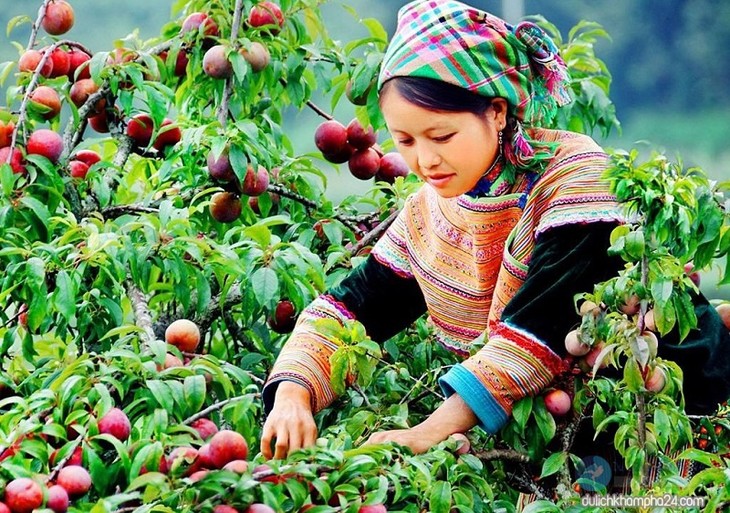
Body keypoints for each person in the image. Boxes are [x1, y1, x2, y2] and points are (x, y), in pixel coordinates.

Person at [260, 0, 730, 465]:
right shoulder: (430, 212)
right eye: (405, 141)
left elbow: (539, 327)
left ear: (498, 112)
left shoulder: (576, 180)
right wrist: (293, 394)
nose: (424, 160)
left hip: (685, 418)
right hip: (571, 444)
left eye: (441, 137)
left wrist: (428, 433)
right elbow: (352, 307)